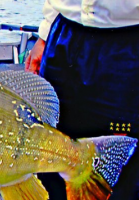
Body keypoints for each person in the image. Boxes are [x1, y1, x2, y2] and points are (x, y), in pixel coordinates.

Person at [25, 0, 139, 200]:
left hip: (128, 40)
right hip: (64, 34)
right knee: (50, 152)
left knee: (123, 168)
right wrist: (45, 33)